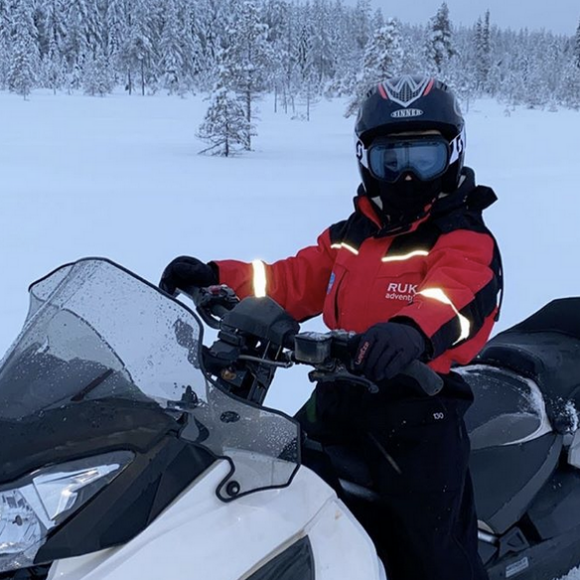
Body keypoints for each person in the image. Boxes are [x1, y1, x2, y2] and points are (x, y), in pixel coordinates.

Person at [159, 75, 502, 580]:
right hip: (338, 397)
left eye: (422, 158)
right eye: (392, 160)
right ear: (367, 160)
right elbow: (289, 280)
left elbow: (459, 295)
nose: (406, 176)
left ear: (451, 154)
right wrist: (217, 277)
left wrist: (411, 330)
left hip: (418, 409)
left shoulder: (462, 236)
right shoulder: (351, 236)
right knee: (271, 486)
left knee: (432, 552)